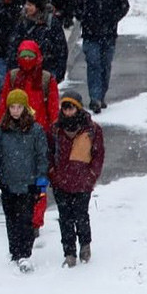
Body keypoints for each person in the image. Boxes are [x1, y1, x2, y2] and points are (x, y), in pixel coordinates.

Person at [0, 89, 48, 273]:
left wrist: (41, 181)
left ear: (25, 108)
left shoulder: (35, 130)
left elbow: (41, 157)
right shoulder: (1, 130)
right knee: (11, 219)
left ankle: (24, 253)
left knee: (25, 220)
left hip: (28, 184)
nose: (15, 111)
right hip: (8, 183)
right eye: (12, 107)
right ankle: (15, 251)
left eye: (19, 107)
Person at [49, 91, 105, 267]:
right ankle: (69, 252)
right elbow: (48, 154)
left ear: (78, 108)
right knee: (65, 218)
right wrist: (53, 174)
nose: (67, 111)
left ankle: (84, 245)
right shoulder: (55, 130)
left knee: (81, 216)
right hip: (61, 183)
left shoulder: (92, 130)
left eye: (71, 107)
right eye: (65, 107)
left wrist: (91, 176)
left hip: (82, 183)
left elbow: (98, 155)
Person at [77, 0, 130, 112]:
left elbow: (124, 5)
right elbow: (76, 5)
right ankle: (95, 98)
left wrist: (112, 19)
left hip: (108, 34)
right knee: (93, 64)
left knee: (105, 66)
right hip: (90, 34)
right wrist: (84, 18)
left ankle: (101, 95)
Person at [0, 40, 60, 133]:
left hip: (40, 130)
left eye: (30, 56)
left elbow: (53, 107)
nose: (26, 59)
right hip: (16, 128)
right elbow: (4, 103)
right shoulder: (12, 77)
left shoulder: (46, 79)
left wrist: (55, 126)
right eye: (24, 56)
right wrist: (0, 126)